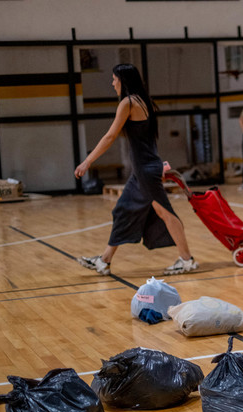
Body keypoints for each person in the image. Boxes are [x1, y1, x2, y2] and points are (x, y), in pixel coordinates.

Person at [74, 63, 197, 275]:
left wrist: (87, 161)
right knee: (123, 209)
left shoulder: (128, 103)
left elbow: (110, 136)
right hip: (143, 170)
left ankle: (187, 260)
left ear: (123, 80)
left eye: (114, 79)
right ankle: (104, 260)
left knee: (165, 212)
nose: (112, 83)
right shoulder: (144, 101)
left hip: (146, 170)